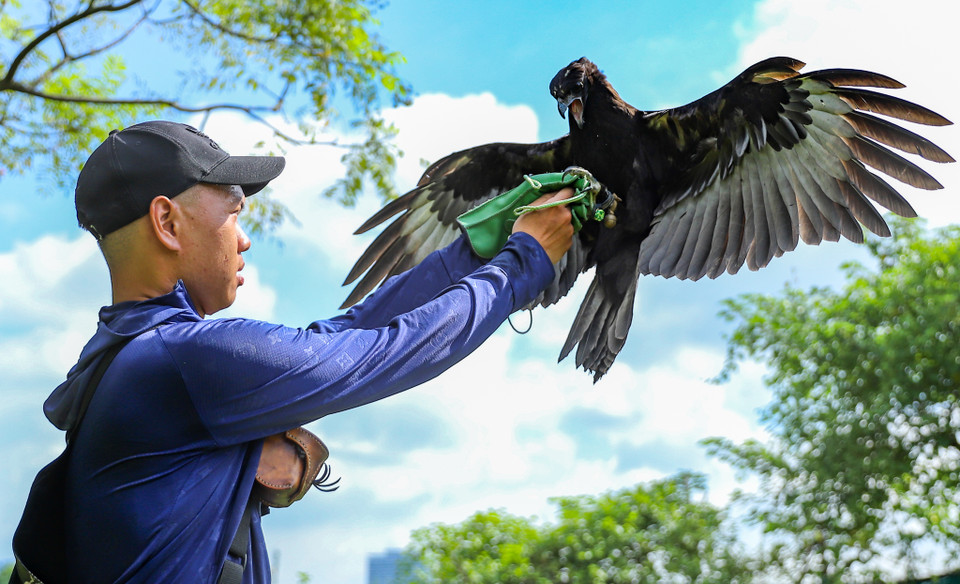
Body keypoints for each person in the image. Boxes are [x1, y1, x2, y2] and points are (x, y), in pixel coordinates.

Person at [41, 120, 574, 582]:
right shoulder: (184, 359)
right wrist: (523, 263)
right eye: (234, 212)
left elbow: (335, 340)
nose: (244, 239)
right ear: (167, 223)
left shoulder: (119, 360)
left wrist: (471, 251)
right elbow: (386, 352)